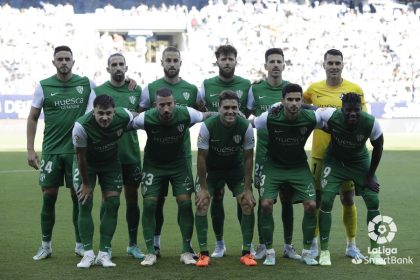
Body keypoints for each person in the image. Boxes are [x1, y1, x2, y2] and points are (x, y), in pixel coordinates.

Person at [27, 45, 96, 261]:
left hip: (77, 153)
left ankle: (79, 245)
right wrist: (30, 149)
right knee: (48, 197)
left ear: (73, 62)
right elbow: (33, 117)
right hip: (51, 151)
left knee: (79, 198)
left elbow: (105, 99)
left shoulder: (86, 84)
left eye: (67, 58)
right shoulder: (44, 85)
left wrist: (130, 80)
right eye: (60, 59)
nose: (64, 62)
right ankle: (45, 245)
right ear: (54, 62)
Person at [132, 88, 214, 266]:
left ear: (175, 103)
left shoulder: (187, 114)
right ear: (155, 106)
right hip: (153, 165)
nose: (167, 109)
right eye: (162, 105)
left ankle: (186, 250)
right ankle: (150, 252)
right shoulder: (146, 118)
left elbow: (206, 115)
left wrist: (229, 113)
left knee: (185, 203)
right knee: (149, 203)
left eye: (170, 104)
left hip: (178, 165)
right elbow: (127, 122)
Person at [303, 48, 366, 259]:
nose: (334, 67)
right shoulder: (313, 89)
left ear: (342, 65)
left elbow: (362, 119)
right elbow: (299, 106)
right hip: (320, 155)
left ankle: (351, 244)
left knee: (347, 199)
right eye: (330, 63)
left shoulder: (354, 89)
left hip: (345, 156)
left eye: (337, 63)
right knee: (318, 200)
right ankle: (313, 244)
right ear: (324, 65)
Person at [252, 83, 321, 266]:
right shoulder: (270, 118)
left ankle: (306, 252)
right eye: (289, 99)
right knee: (266, 204)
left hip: (298, 166)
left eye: (298, 100)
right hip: (273, 166)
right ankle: (269, 252)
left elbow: (331, 118)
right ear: (282, 101)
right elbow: (253, 123)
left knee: (311, 205)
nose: (294, 103)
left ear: (301, 101)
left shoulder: (311, 117)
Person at [140, 46, 199, 256]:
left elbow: (202, 112)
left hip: (181, 156)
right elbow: (139, 113)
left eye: (175, 60)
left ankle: (187, 246)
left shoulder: (192, 89)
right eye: (168, 60)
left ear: (180, 63)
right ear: (162, 63)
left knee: (184, 202)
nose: (172, 64)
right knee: (156, 202)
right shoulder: (150, 88)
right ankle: (155, 243)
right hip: (155, 157)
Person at [317, 92, 386, 266]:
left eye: (356, 110)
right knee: (325, 200)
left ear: (361, 108)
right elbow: (312, 112)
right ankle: (324, 251)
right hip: (335, 161)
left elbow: (378, 148)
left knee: (373, 199)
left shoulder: (371, 123)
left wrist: (369, 176)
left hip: (359, 161)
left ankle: (375, 252)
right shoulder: (331, 115)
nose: (353, 113)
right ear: (342, 109)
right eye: (349, 110)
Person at [196, 44, 252, 258]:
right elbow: (197, 103)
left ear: (236, 60)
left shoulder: (246, 85)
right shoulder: (206, 85)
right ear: (217, 60)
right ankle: (218, 244)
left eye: (231, 58)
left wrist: (248, 188)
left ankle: (247, 247)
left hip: (235, 161)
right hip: (213, 161)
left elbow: (250, 110)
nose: (227, 62)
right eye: (223, 58)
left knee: (245, 199)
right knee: (213, 197)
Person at [247, 48, 300, 261]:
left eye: (279, 61)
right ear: (266, 65)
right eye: (272, 61)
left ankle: (288, 245)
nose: (276, 64)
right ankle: (262, 245)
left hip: (287, 155)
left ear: (284, 65)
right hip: (264, 156)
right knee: (264, 201)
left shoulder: (291, 90)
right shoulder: (255, 89)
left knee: (287, 200)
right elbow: (246, 116)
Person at [72, 95, 135, 268]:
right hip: (87, 165)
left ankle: (104, 253)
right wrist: (86, 184)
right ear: (94, 111)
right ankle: (87, 253)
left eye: (108, 113)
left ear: (114, 112)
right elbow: (80, 157)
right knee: (84, 202)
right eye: (100, 113)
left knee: (113, 203)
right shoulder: (81, 126)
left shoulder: (124, 115)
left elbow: (138, 117)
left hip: (110, 163)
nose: (105, 117)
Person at [195, 90, 256, 267]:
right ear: (219, 108)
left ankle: (246, 253)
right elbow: (201, 158)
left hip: (234, 169)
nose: (230, 111)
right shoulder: (208, 125)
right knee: (202, 202)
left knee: (247, 202)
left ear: (239, 108)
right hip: (212, 170)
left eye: (234, 108)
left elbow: (248, 158)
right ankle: (204, 254)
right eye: (226, 107)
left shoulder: (245, 126)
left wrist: (247, 188)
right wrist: (204, 189)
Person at [94, 53, 144, 259]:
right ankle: (106, 245)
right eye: (113, 64)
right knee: (108, 201)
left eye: (121, 64)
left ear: (126, 67)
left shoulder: (137, 90)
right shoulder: (98, 91)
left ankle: (133, 244)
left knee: (132, 200)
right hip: (108, 158)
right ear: (107, 68)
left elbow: (142, 117)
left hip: (131, 154)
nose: (117, 68)